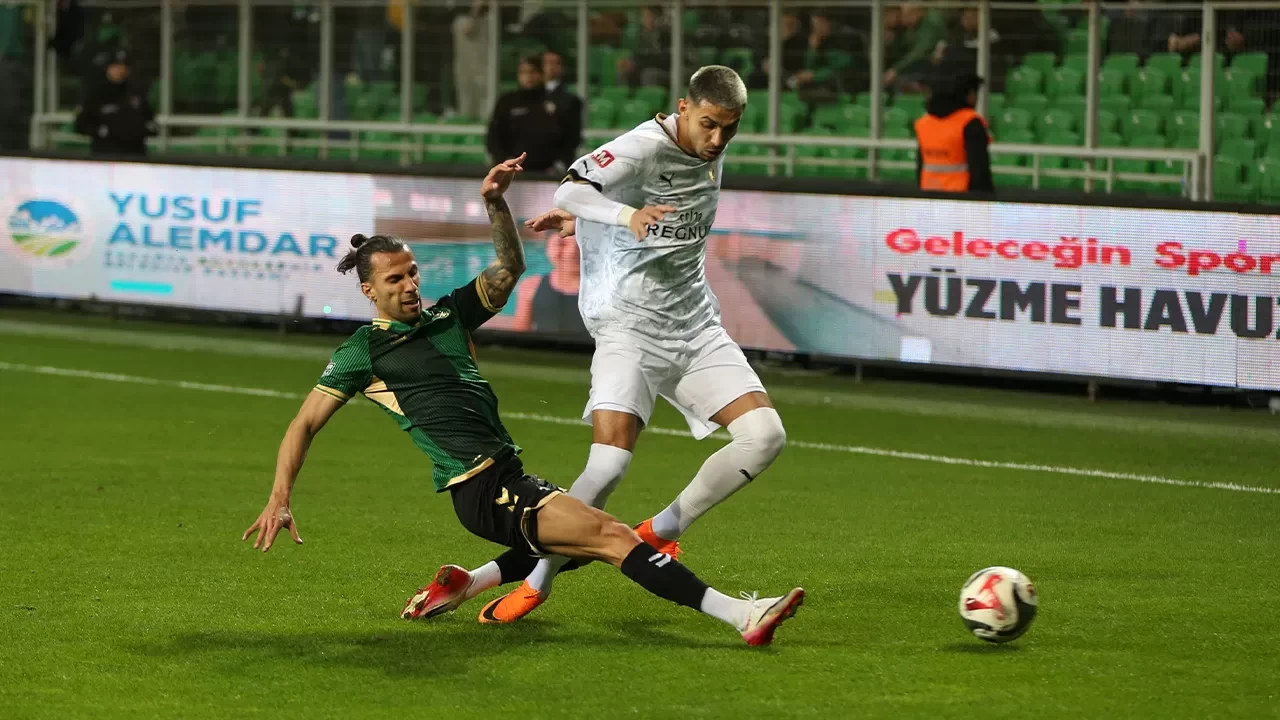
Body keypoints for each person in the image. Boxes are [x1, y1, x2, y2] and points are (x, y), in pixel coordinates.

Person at [241, 154, 804, 648]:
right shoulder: (361, 353)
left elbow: (509, 268)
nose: (410, 285)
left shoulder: (449, 314)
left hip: (509, 475)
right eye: (395, 280)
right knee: (611, 537)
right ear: (370, 290)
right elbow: (303, 423)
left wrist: (495, 205)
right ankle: (741, 614)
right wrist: (280, 497)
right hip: (480, 489)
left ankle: (470, 581)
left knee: (584, 541)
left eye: (413, 273)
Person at [414, 65, 789, 625]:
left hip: (695, 328)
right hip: (629, 328)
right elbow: (573, 186)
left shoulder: (706, 146)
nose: (716, 141)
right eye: (709, 125)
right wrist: (621, 215)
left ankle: (662, 530)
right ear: (683, 107)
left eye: (728, 131)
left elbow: (594, 206)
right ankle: (535, 585)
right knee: (609, 465)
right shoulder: (641, 147)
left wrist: (584, 222)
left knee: (765, 437)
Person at [486, 56, 576, 174]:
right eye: (523, 72)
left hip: (549, 173)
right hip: (512, 171)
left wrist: (559, 165)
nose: (528, 76)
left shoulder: (560, 103)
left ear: (542, 74)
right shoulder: (507, 102)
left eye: (533, 72)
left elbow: (571, 137)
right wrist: (504, 162)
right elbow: (494, 136)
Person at [914, 71, 993, 194]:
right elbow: (979, 168)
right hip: (961, 198)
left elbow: (920, 164)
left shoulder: (924, 123)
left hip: (928, 196)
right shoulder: (970, 122)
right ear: (970, 94)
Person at [74, 49, 157, 156]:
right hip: (105, 155)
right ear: (108, 68)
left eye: (123, 66)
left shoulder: (137, 94)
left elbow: (151, 124)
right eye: (115, 66)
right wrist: (102, 131)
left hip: (135, 155)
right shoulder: (97, 95)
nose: (119, 70)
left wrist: (139, 131)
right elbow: (81, 125)